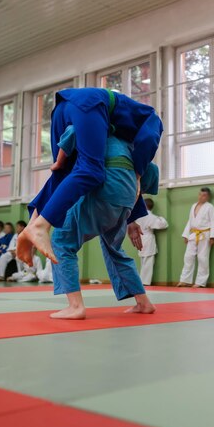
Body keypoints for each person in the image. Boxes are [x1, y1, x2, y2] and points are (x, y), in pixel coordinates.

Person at [17, 87, 163, 265]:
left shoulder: (114, 130)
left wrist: (61, 159)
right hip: (90, 104)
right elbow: (149, 141)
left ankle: (32, 224)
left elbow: (73, 134)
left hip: (63, 112)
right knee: (91, 171)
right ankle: (41, 226)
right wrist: (139, 174)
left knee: (64, 175)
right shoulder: (152, 118)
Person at [45, 124, 160, 319]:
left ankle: (75, 307)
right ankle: (143, 303)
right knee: (113, 249)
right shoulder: (128, 142)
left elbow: (73, 132)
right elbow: (152, 172)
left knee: (62, 240)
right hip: (126, 201)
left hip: (104, 193)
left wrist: (58, 161)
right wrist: (130, 215)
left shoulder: (91, 125)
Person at [177, 187, 214, 288]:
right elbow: (190, 221)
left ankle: (200, 282)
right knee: (188, 256)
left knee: (202, 258)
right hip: (193, 234)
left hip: (205, 234)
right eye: (200, 194)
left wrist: (213, 236)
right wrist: (186, 234)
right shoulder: (193, 206)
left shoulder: (210, 207)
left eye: (204, 195)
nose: (201, 197)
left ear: (208, 197)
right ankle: (185, 280)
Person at [135, 198, 168, 286]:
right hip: (148, 238)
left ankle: (141, 280)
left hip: (140, 238)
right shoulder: (150, 216)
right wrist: (160, 218)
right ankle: (145, 281)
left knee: (143, 261)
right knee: (148, 261)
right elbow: (163, 225)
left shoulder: (138, 215)